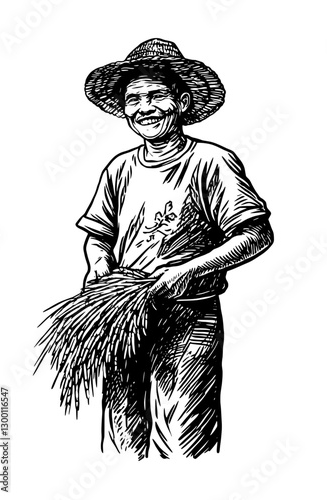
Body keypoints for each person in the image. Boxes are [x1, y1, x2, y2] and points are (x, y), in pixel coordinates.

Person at [76, 38, 274, 459]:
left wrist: (188, 271)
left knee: (185, 439)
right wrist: (98, 267)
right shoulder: (120, 167)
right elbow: (98, 235)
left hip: (190, 317)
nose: (144, 107)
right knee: (121, 437)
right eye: (133, 99)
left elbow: (255, 235)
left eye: (156, 96)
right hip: (119, 315)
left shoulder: (213, 161)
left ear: (182, 102)